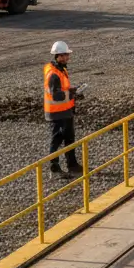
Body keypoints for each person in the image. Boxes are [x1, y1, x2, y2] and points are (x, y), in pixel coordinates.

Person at [44, 40, 82, 175]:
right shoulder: (53, 74)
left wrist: (72, 90)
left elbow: (62, 89)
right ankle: (54, 167)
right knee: (56, 140)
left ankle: (72, 165)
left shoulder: (61, 70)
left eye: (67, 55)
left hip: (66, 111)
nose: (67, 57)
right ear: (58, 56)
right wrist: (72, 94)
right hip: (56, 113)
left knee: (69, 138)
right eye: (65, 55)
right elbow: (56, 95)